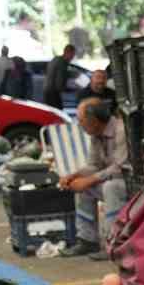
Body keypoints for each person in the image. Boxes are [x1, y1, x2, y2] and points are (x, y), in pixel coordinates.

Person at [58, 99, 129, 260]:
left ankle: (113, 244)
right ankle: (87, 240)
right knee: (82, 188)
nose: (80, 124)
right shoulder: (96, 134)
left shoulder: (120, 130)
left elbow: (120, 167)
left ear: (94, 120)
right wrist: (74, 176)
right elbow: (94, 165)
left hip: (128, 183)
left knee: (110, 187)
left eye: (81, 120)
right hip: (110, 179)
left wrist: (90, 180)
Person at [43, 43, 74, 109]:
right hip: (53, 92)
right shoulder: (62, 63)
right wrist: (69, 89)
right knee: (58, 112)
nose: (72, 57)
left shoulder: (55, 59)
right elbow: (59, 80)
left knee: (51, 112)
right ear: (68, 53)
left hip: (47, 90)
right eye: (72, 55)